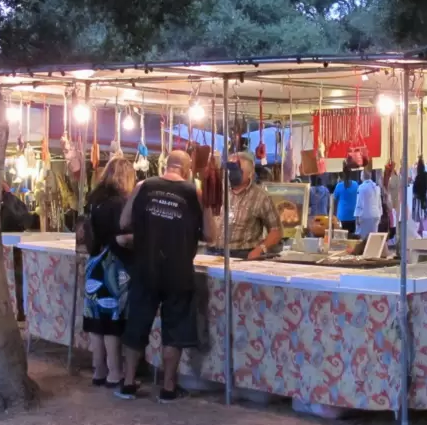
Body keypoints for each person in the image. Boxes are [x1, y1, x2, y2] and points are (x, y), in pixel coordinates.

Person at [116, 151, 214, 402]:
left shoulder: (142, 186)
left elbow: (124, 221)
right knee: (175, 328)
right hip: (178, 270)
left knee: (137, 322)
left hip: (145, 267)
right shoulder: (196, 193)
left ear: (166, 165)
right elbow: (211, 235)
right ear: (187, 169)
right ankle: (169, 388)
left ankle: (127, 383)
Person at [83, 158, 135, 388]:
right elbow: (123, 237)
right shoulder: (120, 203)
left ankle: (98, 369)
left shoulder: (93, 199)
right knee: (113, 322)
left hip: (94, 264)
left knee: (95, 319)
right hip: (114, 267)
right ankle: (115, 372)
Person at [206, 152, 282, 260]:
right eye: (229, 170)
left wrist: (260, 249)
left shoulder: (261, 197)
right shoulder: (217, 189)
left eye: (236, 170)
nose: (230, 174)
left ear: (250, 173)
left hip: (242, 255)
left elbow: (276, 231)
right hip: (211, 253)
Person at [354, 170, 383, 239]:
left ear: (362, 177)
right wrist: (380, 214)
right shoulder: (376, 187)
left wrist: (357, 216)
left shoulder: (361, 188)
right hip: (376, 215)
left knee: (363, 238)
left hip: (365, 216)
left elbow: (359, 203)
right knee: (373, 238)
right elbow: (379, 202)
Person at [333, 168, 359, 235]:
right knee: (352, 237)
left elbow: (333, 201)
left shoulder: (339, 186)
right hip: (353, 216)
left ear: (340, 177)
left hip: (342, 216)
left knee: (342, 239)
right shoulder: (356, 184)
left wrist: (334, 215)